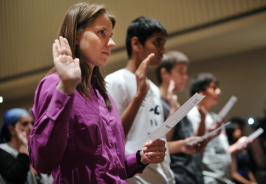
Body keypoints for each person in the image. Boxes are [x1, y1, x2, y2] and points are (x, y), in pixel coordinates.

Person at [28, 3, 166, 184]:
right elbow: (43, 161)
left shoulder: (102, 94)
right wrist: (66, 89)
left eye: (111, 35)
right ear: (77, 35)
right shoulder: (54, 84)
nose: (111, 43)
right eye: (102, 32)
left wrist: (140, 158)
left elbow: (110, 168)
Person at [105, 16, 175, 184]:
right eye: (157, 42)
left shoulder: (154, 88)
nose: (163, 50)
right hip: (137, 177)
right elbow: (112, 138)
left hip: (164, 176)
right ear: (136, 44)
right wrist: (139, 96)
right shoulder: (115, 81)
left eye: (164, 44)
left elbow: (157, 133)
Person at [187, 73, 249, 184]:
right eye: (214, 88)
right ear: (200, 92)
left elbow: (220, 150)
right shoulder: (191, 115)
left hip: (223, 177)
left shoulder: (214, 117)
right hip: (208, 178)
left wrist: (236, 146)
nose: (218, 92)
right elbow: (193, 147)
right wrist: (203, 121)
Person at [156, 51, 205, 184]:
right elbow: (159, 143)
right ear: (164, 73)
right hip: (179, 176)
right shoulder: (157, 104)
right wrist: (173, 110)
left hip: (193, 174)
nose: (185, 77)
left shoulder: (178, 106)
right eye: (181, 71)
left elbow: (186, 137)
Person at [0, 108, 38, 184]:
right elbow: (17, 177)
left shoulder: (31, 149)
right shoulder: (2, 150)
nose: (31, 128)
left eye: (32, 123)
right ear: (11, 129)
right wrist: (23, 146)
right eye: (25, 124)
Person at [226, 117, 257, 184]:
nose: (239, 132)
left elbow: (247, 169)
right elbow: (233, 174)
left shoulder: (241, 148)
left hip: (246, 178)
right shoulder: (232, 150)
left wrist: (253, 181)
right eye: (236, 130)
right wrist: (248, 183)